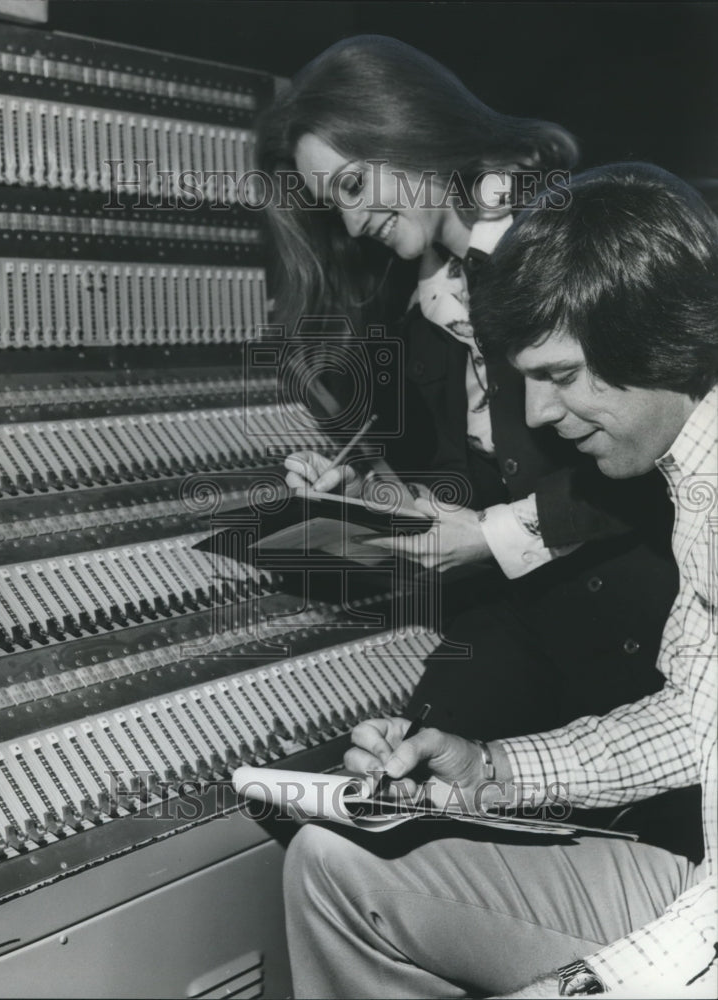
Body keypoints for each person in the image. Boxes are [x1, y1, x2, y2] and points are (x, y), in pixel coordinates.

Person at [283, 163, 718, 998]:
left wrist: (580, 986)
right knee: (332, 861)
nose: (543, 416)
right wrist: (492, 769)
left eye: (558, 376)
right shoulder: (690, 473)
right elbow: (690, 719)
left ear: (658, 333)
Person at [256, 35, 680, 759]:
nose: (352, 224)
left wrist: (493, 536)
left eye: (354, 187)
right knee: (366, 793)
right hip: (528, 633)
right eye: (334, 206)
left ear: (407, 128)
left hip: (660, 647)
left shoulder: (579, 233)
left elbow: (673, 446)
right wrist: (365, 496)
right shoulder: (418, 311)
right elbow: (468, 496)